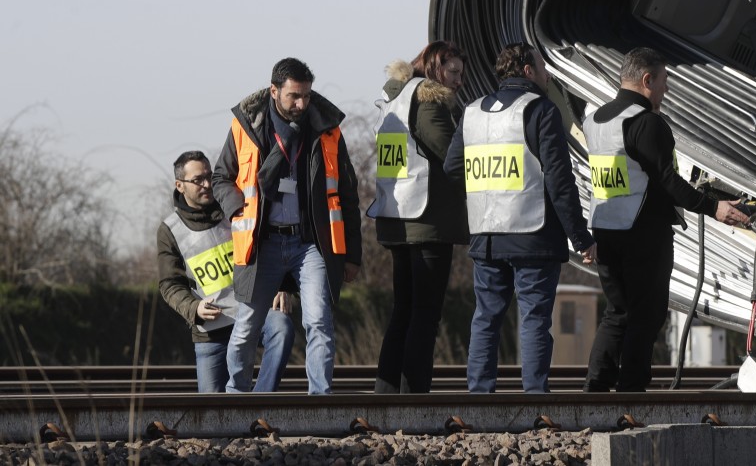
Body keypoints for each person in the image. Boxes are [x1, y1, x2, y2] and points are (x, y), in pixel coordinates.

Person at [583, 47, 750, 392]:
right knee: (646, 314)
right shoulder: (646, 123)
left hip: (604, 229)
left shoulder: (596, 120)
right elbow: (668, 180)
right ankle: (631, 391)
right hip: (643, 233)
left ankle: (595, 389)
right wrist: (714, 207)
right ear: (647, 80)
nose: (666, 90)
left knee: (617, 313)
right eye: (663, 82)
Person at [444, 42, 597, 393]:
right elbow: (560, 182)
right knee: (533, 319)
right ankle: (533, 399)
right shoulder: (542, 110)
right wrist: (581, 237)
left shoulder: (472, 112)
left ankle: (479, 395)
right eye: (543, 67)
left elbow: (453, 168)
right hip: (533, 233)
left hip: (486, 235)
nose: (547, 74)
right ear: (528, 71)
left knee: (485, 318)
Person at [212, 57, 362, 394]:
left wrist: (353, 254)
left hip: (310, 244)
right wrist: (238, 208)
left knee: (319, 323)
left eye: (307, 96)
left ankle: (319, 400)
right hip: (261, 243)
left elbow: (347, 193)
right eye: (294, 96)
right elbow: (221, 177)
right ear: (274, 91)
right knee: (247, 327)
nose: (301, 104)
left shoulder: (327, 128)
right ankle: (236, 397)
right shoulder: (245, 125)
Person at [367, 41, 470, 394]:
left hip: (396, 217)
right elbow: (453, 156)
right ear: (435, 68)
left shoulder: (395, 99)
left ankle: (387, 392)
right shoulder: (429, 104)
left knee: (404, 311)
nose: (458, 81)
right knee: (424, 314)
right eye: (453, 73)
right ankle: (414, 397)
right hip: (426, 221)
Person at [158, 150, 295, 393]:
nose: (207, 184)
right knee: (214, 418)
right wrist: (194, 308)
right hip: (210, 333)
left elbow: (271, 247)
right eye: (198, 180)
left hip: (252, 314)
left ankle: (259, 402)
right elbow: (170, 285)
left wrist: (282, 285)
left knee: (281, 326)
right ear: (180, 185)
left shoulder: (235, 208)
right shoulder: (170, 230)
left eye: (209, 176)